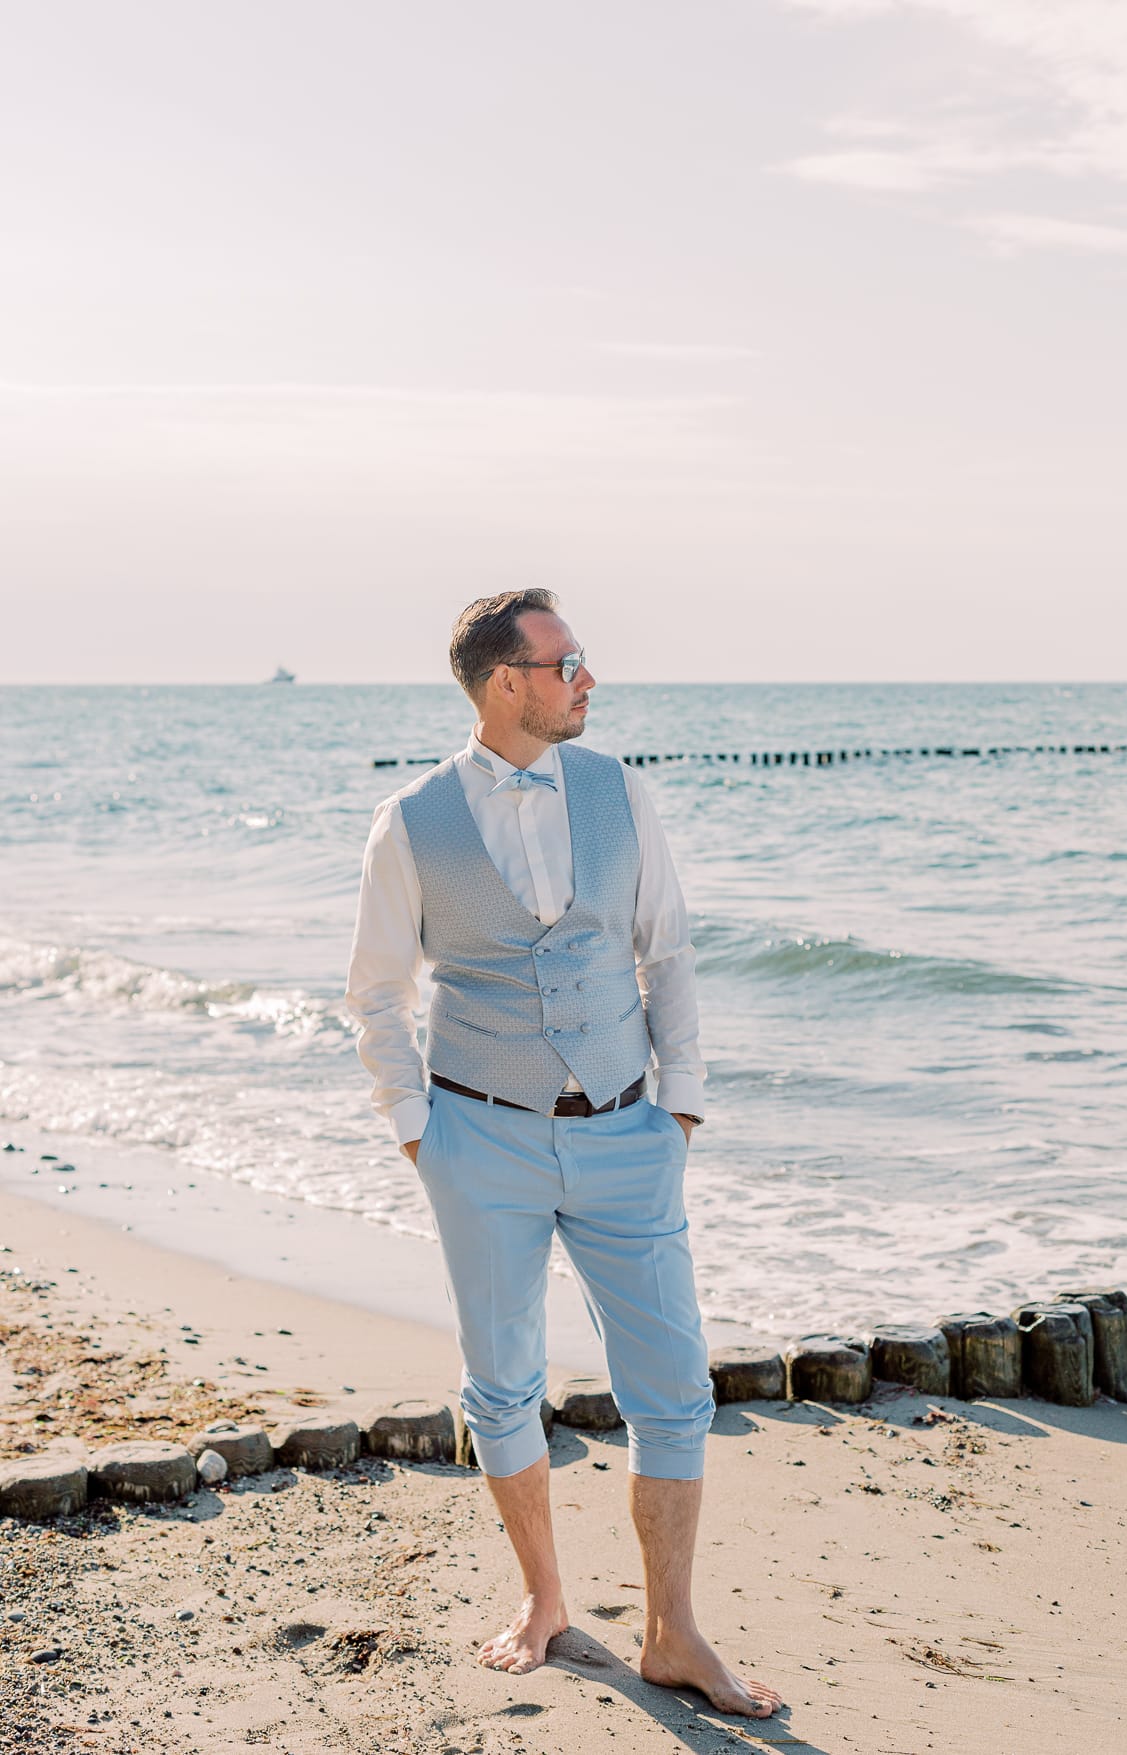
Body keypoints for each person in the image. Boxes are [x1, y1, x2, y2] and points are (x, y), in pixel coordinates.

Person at [346, 589, 780, 1719]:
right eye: (567, 662)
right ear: (506, 682)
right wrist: (415, 1130)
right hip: (476, 1135)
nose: (589, 679)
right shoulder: (412, 821)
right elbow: (377, 996)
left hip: (629, 1134)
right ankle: (544, 1601)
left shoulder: (620, 791)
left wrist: (677, 1111)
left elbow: (668, 955)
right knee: (502, 1385)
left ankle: (673, 1633)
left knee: (674, 1386)